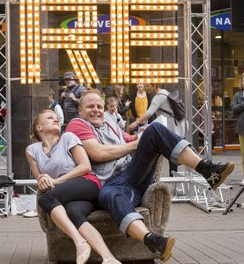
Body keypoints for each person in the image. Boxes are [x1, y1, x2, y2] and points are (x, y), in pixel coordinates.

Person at [66, 90, 234, 262]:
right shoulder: (78, 124)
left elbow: (130, 140)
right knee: (110, 195)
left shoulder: (109, 123)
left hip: (132, 172)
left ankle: (207, 170)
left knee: (154, 129)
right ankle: (153, 242)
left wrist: (141, 136)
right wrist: (135, 145)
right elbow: (98, 153)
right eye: (90, 106)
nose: (96, 110)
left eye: (99, 106)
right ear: (80, 111)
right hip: (109, 183)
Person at [26, 109, 120, 264]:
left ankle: (80, 242)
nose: (56, 120)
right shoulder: (32, 151)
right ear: (39, 127)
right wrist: (43, 179)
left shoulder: (69, 138)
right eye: (50, 118)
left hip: (87, 184)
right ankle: (109, 258)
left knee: (45, 198)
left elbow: (85, 166)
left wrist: (56, 181)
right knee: (74, 212)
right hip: (65, 195)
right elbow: (41, 180)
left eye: (57, 118)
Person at [128, 84, 185, 176]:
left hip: (170, 128)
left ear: (156, 86)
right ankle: (172, 176)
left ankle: (163, 176)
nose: (147, 89)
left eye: (149, 86)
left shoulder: (159, 97)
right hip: (176, 127)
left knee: (166, 152)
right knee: (172, 153)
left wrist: (136, 123)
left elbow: (148, 113)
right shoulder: (166, 93)